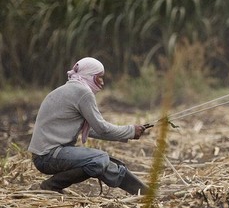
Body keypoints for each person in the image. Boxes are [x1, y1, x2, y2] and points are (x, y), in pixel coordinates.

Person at [29, 57, 150, 195]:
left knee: (105, 162)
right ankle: (51, 185)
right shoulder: (83, 92)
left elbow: (91, 130)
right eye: (99, 78)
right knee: (98, 160)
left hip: (45, 155)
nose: (102, 82)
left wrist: (128, 132)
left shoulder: (68, 89)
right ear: (90, 76)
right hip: (48, 156)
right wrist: (130, 131)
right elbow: (102, 128)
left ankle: (146, 193)